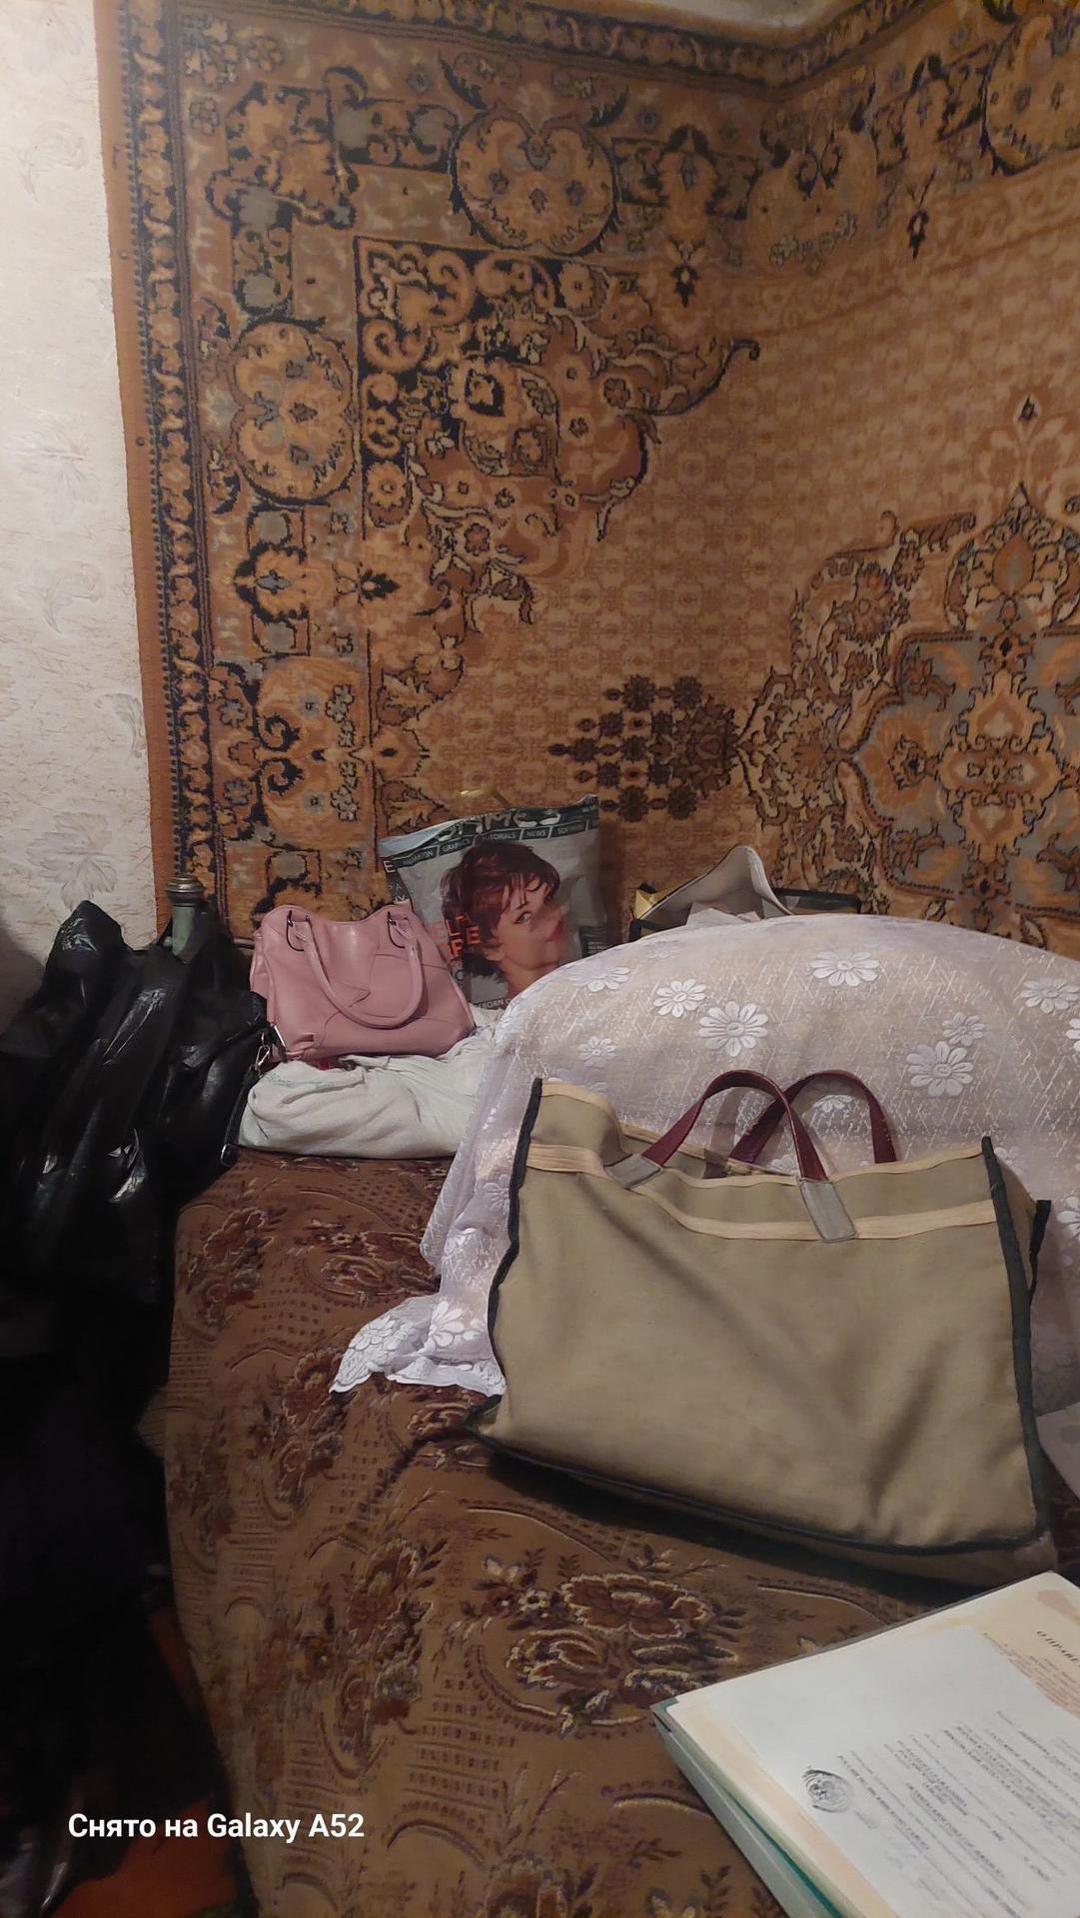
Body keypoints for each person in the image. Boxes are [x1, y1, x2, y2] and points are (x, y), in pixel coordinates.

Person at [440, 840, 570, 998]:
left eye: (548, 899)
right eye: (523, 916)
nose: (553, 918)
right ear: (489, 948)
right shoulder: (507, 1014)